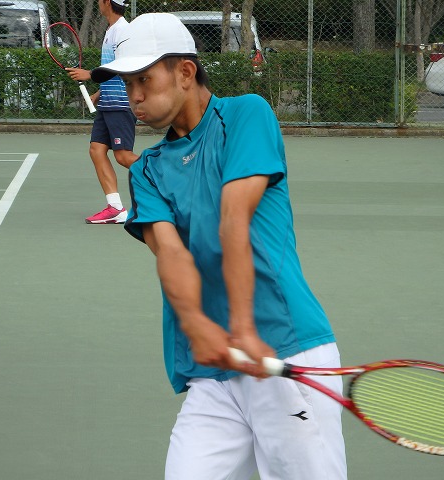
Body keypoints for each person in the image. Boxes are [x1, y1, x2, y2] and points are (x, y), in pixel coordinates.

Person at [91, 13, 347, 480]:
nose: (134, 96)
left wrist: (244, 328)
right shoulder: (146, 170)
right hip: (213, 373)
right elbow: (171, 254)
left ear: (185, 72)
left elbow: (233, 218)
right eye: (127, 84)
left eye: (144, 79)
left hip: (284, 352)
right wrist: (197, 325)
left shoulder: (247, 114)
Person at [66, 0, 138, 224]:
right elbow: (112, 68)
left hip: (121, 104)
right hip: (108, 102)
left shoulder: (123, 31)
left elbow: (124, 66)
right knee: (96, 150)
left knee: (123, 156)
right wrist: (99, 93)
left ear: (108, 2)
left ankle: (169, 175)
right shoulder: (111, 29)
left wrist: (90, 74)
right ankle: (115, 208)